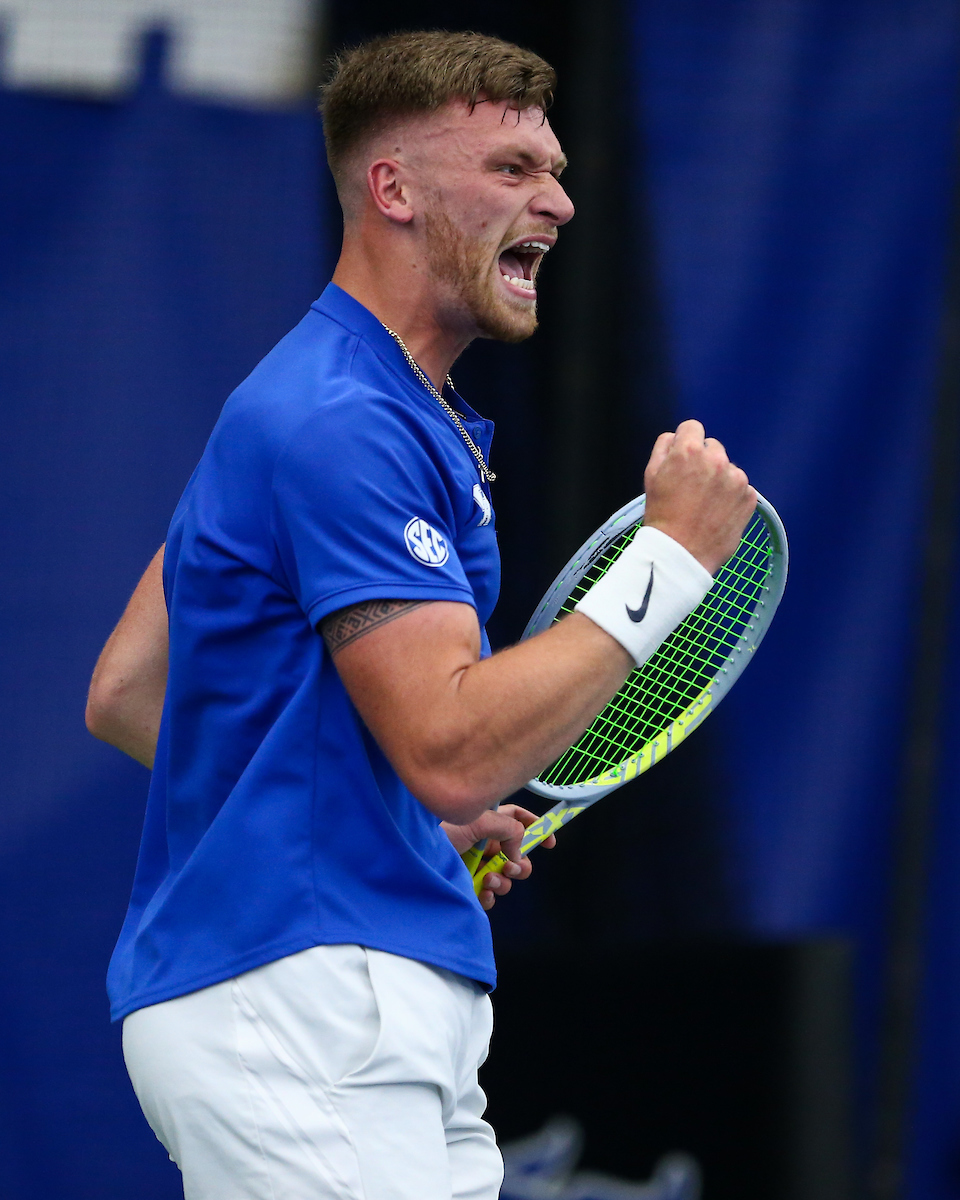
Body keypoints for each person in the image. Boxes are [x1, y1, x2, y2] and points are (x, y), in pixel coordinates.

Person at [86, 29, 756, 1200]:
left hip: (341, 1002)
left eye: (553, 167)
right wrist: (673, 563)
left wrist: (378, 823)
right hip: (304, 1008)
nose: (558, 197)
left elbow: (136, 691)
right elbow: (449, 747)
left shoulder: (323, 403)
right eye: (509, 169)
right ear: (390, 189)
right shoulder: (341, 422)